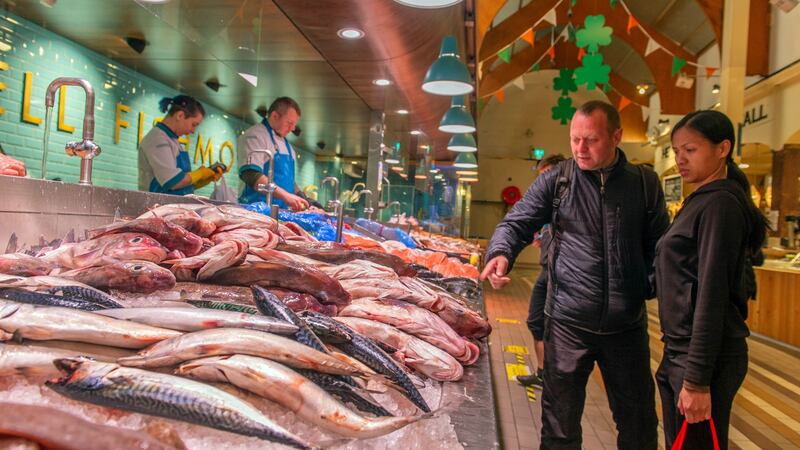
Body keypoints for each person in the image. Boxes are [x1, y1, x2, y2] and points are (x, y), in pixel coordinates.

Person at [481, 100, 668, 449]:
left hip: (626, 327)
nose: (581, 148)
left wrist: (646, 287)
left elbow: (659, 246)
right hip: (567, 323)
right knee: (559, 427)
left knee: (639, 425)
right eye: (575, 139)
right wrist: (501, 252)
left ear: (616, 137)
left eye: (592, 140)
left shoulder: (644, 184)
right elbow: (516, 222)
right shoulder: (557, 181)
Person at [655, 110, 768, 449]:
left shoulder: (720, 205)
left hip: (703, 358)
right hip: (681, 350)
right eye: (677, 151)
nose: (680, 159)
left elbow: (712, 294)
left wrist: (697, 380)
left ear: (722, 149)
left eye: (690, 150)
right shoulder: (702, 201)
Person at [517, 153, 565, 389]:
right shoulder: (547, 205)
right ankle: (543, 372)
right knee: (537, 321)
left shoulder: (569, 203)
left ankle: (554, 379)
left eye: (547, 176)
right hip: (546, 271)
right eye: (540, 177)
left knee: (557, 328)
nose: (542, 182)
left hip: (563, 277)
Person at [138, 95, 224, 195]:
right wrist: (200, 174)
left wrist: (202, 180)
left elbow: (181, 184)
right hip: (157, 203)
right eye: (193, 124)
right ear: (180, 115)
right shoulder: (157, 138)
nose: (193, 131)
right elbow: (173, 182)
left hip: (173, 203)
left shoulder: (173, 140)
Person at [237, 97, 309, 211]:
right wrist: (286, 196)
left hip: (281, 212)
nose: (293, 128)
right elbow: (251, 175)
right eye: (289, 123)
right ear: (274, 116)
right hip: (255, 210)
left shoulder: (289, 147)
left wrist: (302, 197)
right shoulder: (255, 135)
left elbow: (288, 181)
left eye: (294, 124)